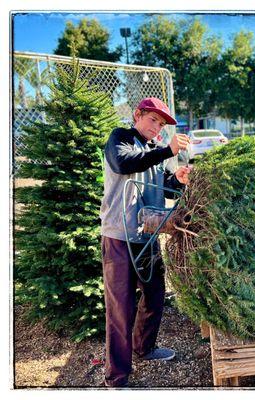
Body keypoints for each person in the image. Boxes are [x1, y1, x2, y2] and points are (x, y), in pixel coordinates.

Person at [99, 97, 191, 387]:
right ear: (137, 115)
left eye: (161, 124)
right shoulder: (121, 139)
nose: (157, 127)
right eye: (153, 120)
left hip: (147, 235)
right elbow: (124, 163)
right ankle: (117, 378)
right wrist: (168, 150)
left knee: (154, 294)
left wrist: (177, 178)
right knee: (120, 308)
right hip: (119, 236)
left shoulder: (152, 150)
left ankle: (144, 348)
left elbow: (164, 185)